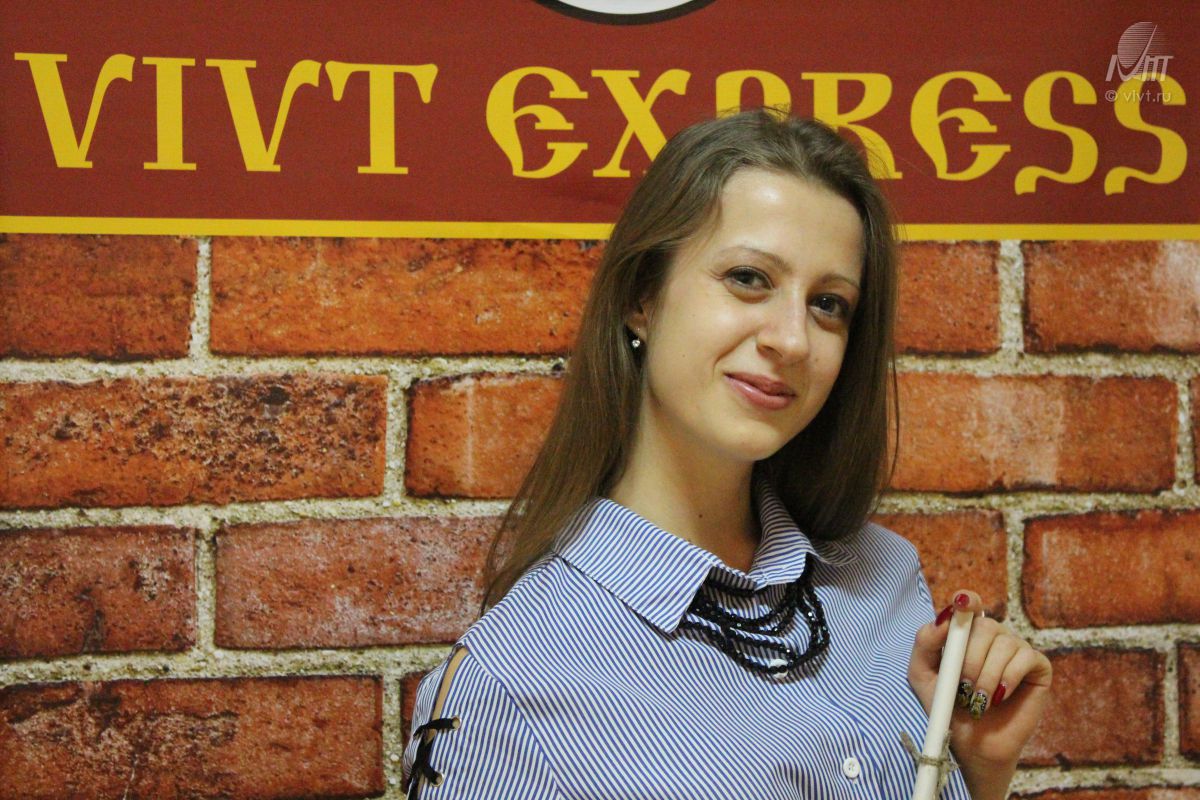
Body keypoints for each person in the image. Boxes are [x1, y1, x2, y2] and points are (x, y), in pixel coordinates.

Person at [402, 108, 1052, 800]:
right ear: (642, 296)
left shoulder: (884, 578)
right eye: (748, 277)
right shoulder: (508, 687)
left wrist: (978, 772)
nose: (793, 340)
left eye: (829, 303)